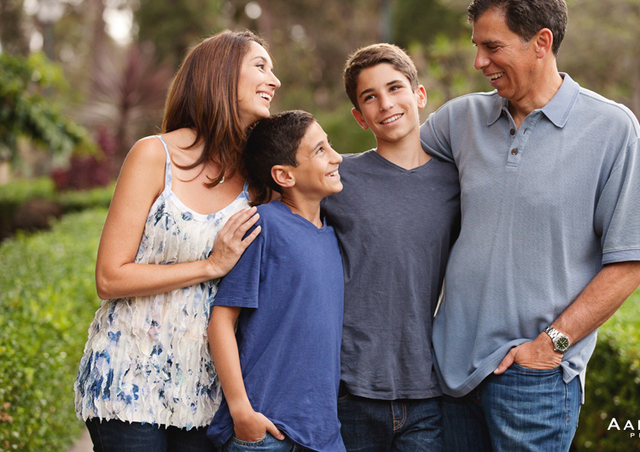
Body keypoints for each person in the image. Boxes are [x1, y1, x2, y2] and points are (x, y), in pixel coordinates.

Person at [420, 0, 640, 452]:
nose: (478, 61)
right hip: (450, 375)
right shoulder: (457, 120)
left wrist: (552, 346)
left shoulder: (612, 130)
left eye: (491, 46)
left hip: (535, 382)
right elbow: (388, 176)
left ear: (541, 43)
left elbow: (629, 262)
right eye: (475, 46)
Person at [74, 29, 280, 451]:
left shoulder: (259, 181)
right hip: (128, 381)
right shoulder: (154, 156)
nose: (274, 81)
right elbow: (110, 277)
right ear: (220, 76)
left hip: (207, 390)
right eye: (260, 66)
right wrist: (209, 266)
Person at [321, 43, 461, 451]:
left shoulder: (455, 183)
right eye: (370, 97)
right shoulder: (337, 177)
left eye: (395, 88)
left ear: (419, 96)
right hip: (350, 390)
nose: (385, 104)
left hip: (426, 391)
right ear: (360, 117)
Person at [206, 110, 346, 452]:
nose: (337, 156)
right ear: (283, 175)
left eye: (329, 145)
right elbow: (221, 321)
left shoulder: (331, 234)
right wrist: (242, 412)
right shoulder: (263, 225)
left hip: (323, 434)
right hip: (265, 431)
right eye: (320, 150)